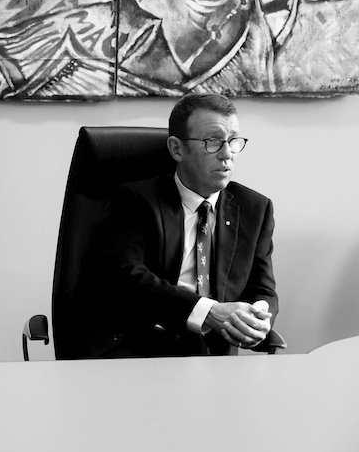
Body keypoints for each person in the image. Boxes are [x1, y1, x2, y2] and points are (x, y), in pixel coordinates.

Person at [103, 93, 278, 357]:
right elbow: (128, 278)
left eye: (233, 141)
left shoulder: (255, 208)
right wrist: (207, 312)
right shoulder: (135, 201)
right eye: (213, 141)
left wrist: (259, 316)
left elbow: (262, 287)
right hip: (146, 349)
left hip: (218, 357)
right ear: (177, 149)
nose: (227, 154)